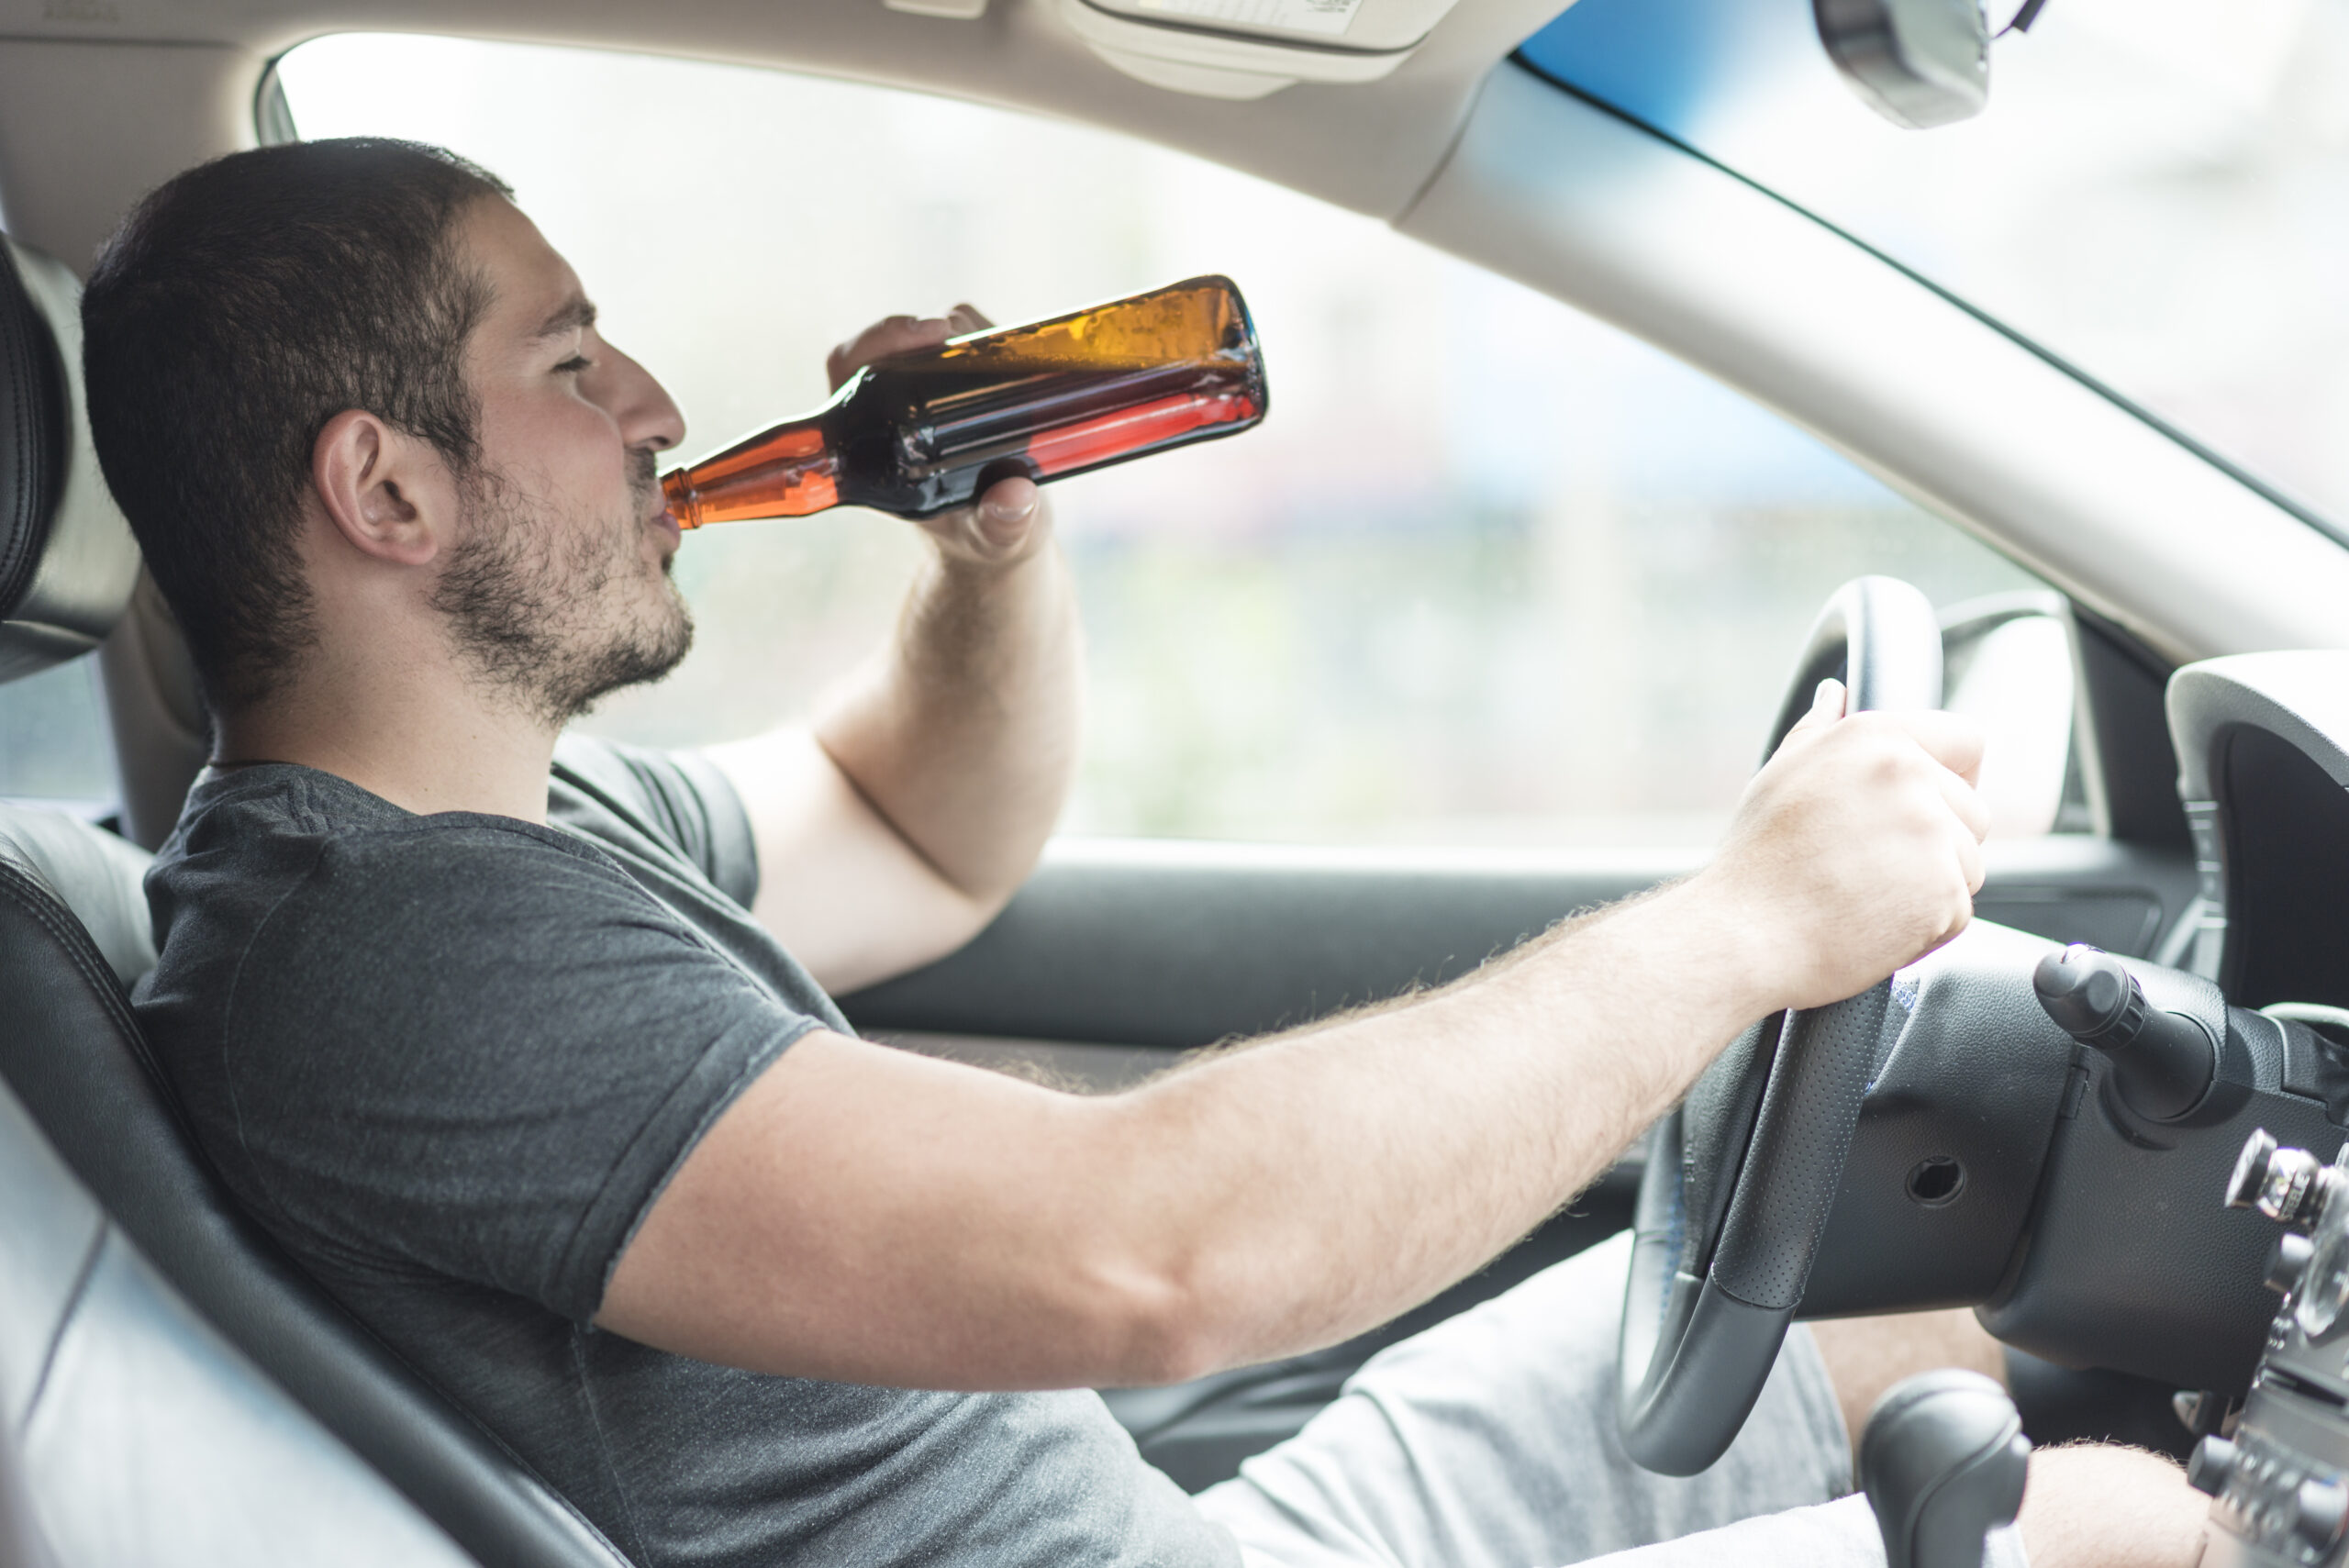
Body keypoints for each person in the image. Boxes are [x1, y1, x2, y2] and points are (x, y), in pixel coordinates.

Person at [82, 137, 2202, 1568]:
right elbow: (1147, 1257)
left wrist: (986, 554)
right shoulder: (395, 956)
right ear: (384, 489)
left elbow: (921, 831)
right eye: (563, 363)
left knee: (1920, 1324)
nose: (650, 405)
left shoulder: (514, 827)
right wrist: (1742, 924)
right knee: (2126, 1538)